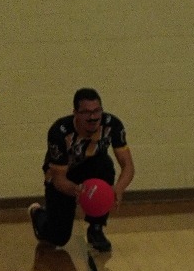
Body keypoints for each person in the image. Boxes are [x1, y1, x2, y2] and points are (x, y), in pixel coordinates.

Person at [29, 90, 134, 254]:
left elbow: (128, 166)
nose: (93, 117)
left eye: (96, 111)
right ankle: (38, 214)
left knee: (105, 165)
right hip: (63, 175)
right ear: (75, 113)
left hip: (92, 168)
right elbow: (59, 180)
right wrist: (76, 191)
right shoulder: (60, 132)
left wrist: (117, 190)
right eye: (86, 112)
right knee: (58, 238)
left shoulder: (112, 124)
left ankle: (96, 228)